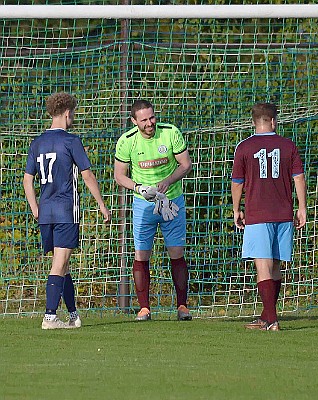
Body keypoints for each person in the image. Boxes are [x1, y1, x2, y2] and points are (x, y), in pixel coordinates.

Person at [23, 92, 111, 330]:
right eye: (73, 113)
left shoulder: (37, 142)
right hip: (65, 211)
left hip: (46, 212)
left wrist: (34, 207)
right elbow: (87, 175)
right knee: (59, 264)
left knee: (62, 264)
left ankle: (73, 315)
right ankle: (50, 317)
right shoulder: (71, 141)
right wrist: (101, 204)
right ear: (67, 113)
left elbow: (27, 180)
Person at [114, 99, 193, 321]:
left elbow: (185, 164)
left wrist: (168, 181)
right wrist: (138, 188)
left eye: (152, 117)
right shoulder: (126, 141)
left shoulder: (170, 133)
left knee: (176, 252)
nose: (149, 123)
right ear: (134, 121)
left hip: (172, 201)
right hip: (143, 204)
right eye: (144, 120)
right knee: (141, 254)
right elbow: (119, 176)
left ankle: (182, 306)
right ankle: (144, 309)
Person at [231, 102, 307, 331]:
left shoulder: (244, 147)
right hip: (283, 213)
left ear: (254, 123)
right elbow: (299, 177)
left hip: (258, 212)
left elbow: (237, 183)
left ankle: (271, 319)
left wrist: (236, 209)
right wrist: (302, 207)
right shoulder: (288, 145)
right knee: (275, 264)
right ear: (273, 121)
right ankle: (267, 316)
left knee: (262, 265)